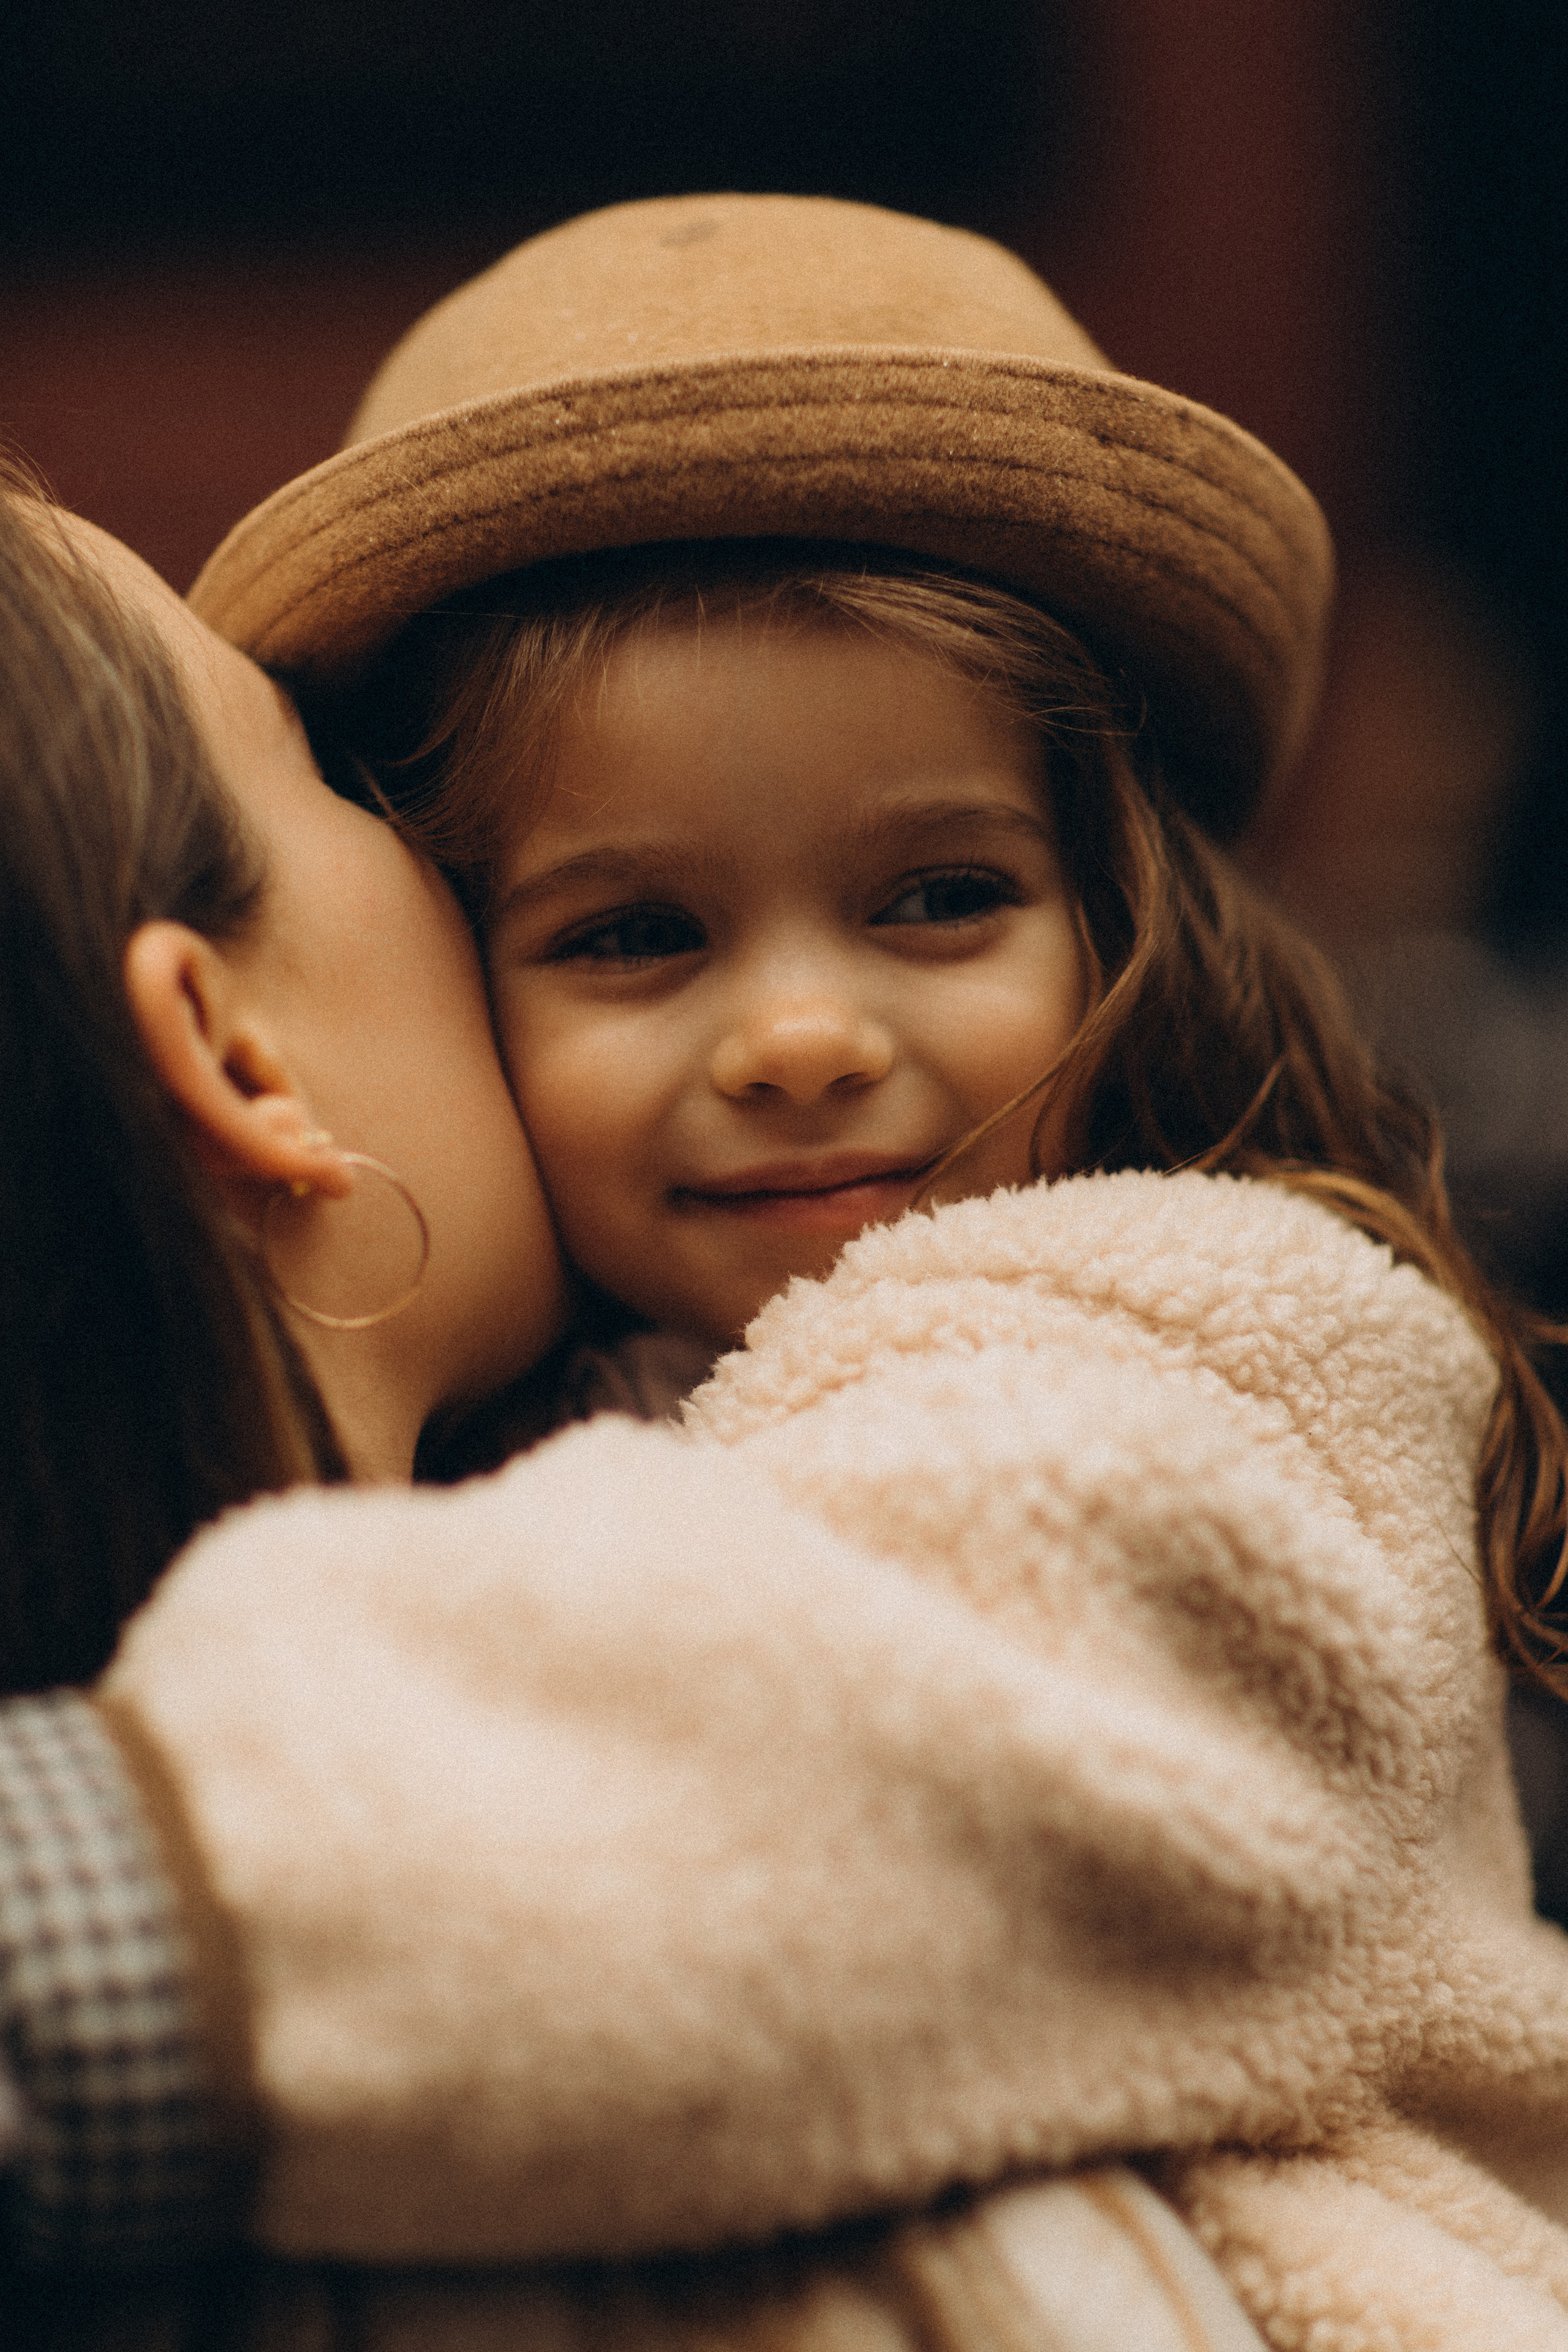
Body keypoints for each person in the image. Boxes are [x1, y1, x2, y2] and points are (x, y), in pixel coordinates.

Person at [164, 194, 1568, 2347]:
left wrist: (102, 1871)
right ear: (454, 982)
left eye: (935, 895)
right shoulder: (540, 1414)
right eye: (634, 935)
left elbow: (754, 1759)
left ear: (1125, 921)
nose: (803, 1035)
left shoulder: (1210, 1374)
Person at [0, 474, 1265, 2348]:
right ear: (231, 1053)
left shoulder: (1158, 1373)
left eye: (939, 898)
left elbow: (818, 1733)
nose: (800, 1041)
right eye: (334, 771)